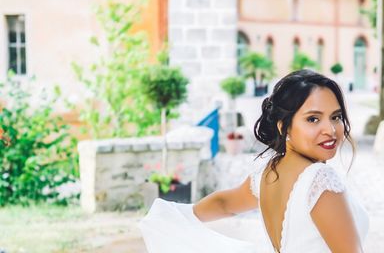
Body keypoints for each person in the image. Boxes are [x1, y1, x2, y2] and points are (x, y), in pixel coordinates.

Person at [140, 69, 369, 253]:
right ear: (283, 126)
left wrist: (178, 215)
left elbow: (226, 204)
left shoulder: (268, 172)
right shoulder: (320, 181)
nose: (330, 130)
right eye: (313, 119)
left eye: (336, 117)